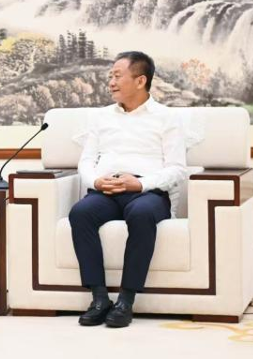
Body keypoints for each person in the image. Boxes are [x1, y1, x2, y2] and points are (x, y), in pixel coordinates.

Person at [69, 51, 187, 328]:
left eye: (117, 76)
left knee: (142, 214)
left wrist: (141, 183)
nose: (111, 82)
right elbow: (86, 161)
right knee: (80, 213)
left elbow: (177, 169)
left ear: (140, 80)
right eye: (110, 76)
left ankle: (126, 300)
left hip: (148, 192)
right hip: (107, 190)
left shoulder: (167, 118)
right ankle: (99, 298)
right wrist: (96, 182)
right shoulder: (100, 117)